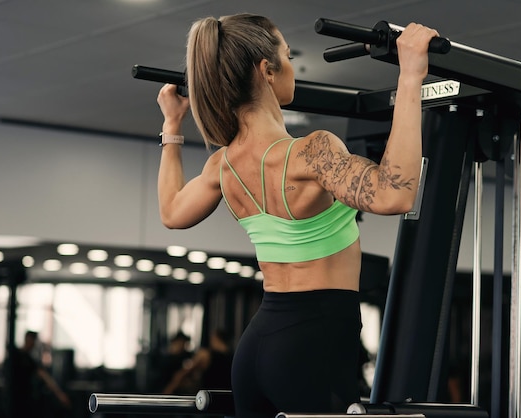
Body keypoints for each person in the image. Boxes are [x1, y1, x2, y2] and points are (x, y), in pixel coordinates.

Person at [155, 13, 438, 418]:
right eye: (287, 56)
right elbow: (395, 193)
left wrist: (171, 124)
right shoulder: (312, 152)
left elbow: (171, 212)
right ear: (266, 71)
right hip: (315, 344)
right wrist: (410, 74)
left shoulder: (223, 165)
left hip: (257, 346)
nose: (292, 66)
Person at [9, 330, 71, 418]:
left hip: (23, 398)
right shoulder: (18, 357)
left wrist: (59, 394)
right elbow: (44, 376)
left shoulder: (28, 359)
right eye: (34, 340)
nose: (34, 344)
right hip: (17, 399)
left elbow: (43, 375)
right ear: (29, 339)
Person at [163, 328, 233, 394]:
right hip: (229, 398)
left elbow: (183, 373)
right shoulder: (233, 357)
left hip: (209, 398)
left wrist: (168, 392)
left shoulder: (205, 355)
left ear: (215, 339)